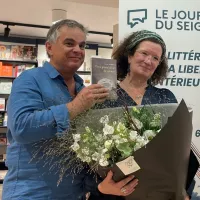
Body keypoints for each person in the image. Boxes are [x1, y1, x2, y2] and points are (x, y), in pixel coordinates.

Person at [2, 19, 138, 200]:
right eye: (69, 43)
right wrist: (75, 106)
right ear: (49, 48)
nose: (78, 50)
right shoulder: (29, 79)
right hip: (32, 194)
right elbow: (21, 127)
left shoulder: (83, 89)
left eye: (82, 45)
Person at [90, 30, 199, 199]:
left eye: (155, 58)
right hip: (116, 191)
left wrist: (182, 191)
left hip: (158, 191)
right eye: (144, 53)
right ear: (130, 55)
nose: (149, 61)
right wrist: (101, 187)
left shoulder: (165, 97)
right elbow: (89, 151)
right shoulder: (105, 97)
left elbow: (179, 151)